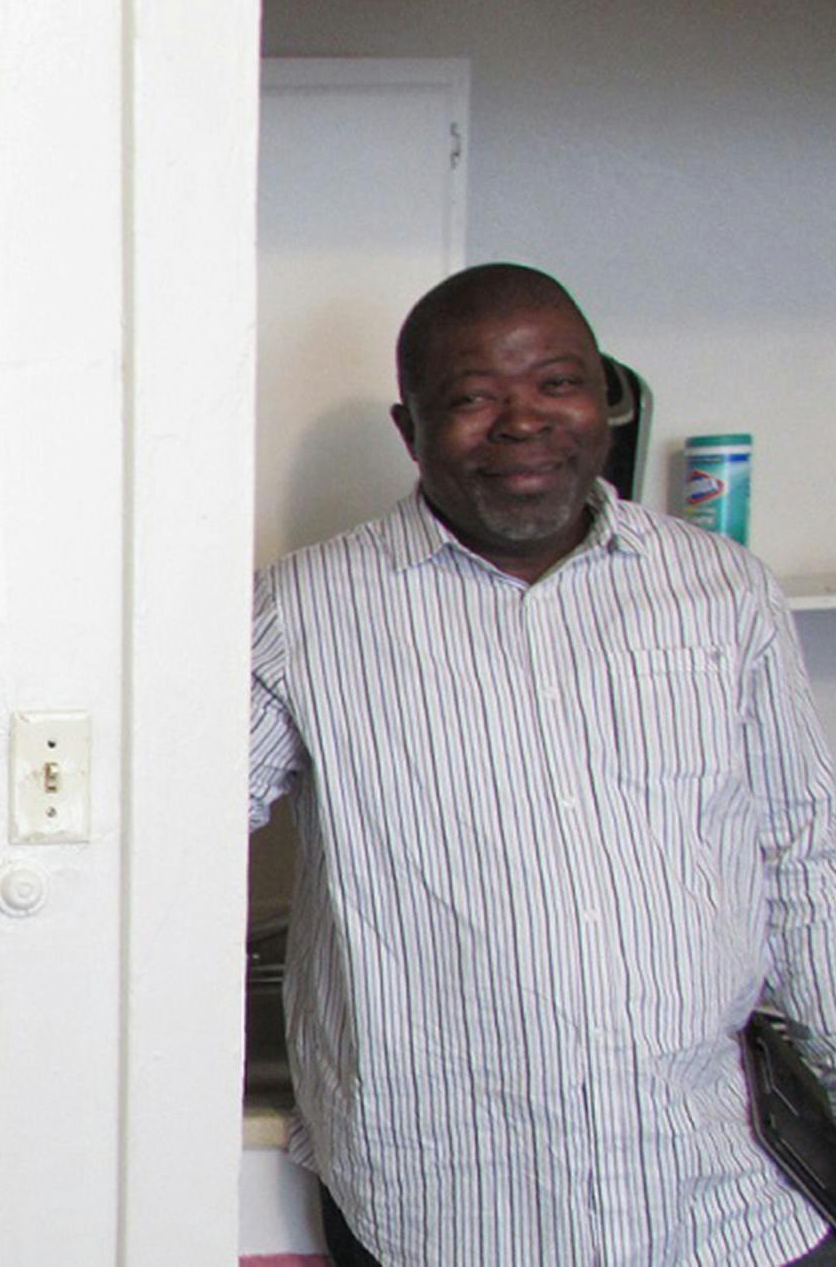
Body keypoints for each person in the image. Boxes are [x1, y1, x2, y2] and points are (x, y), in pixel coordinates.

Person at [250, 262, 836, 1266]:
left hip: (716, 1192)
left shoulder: (721, 590)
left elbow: (804, 853)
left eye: (557, 383)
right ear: (411, 428)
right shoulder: (302, 614)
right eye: (473, 397)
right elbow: (167, 849)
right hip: (446, 1201)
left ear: (603, 401)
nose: (522, 421)